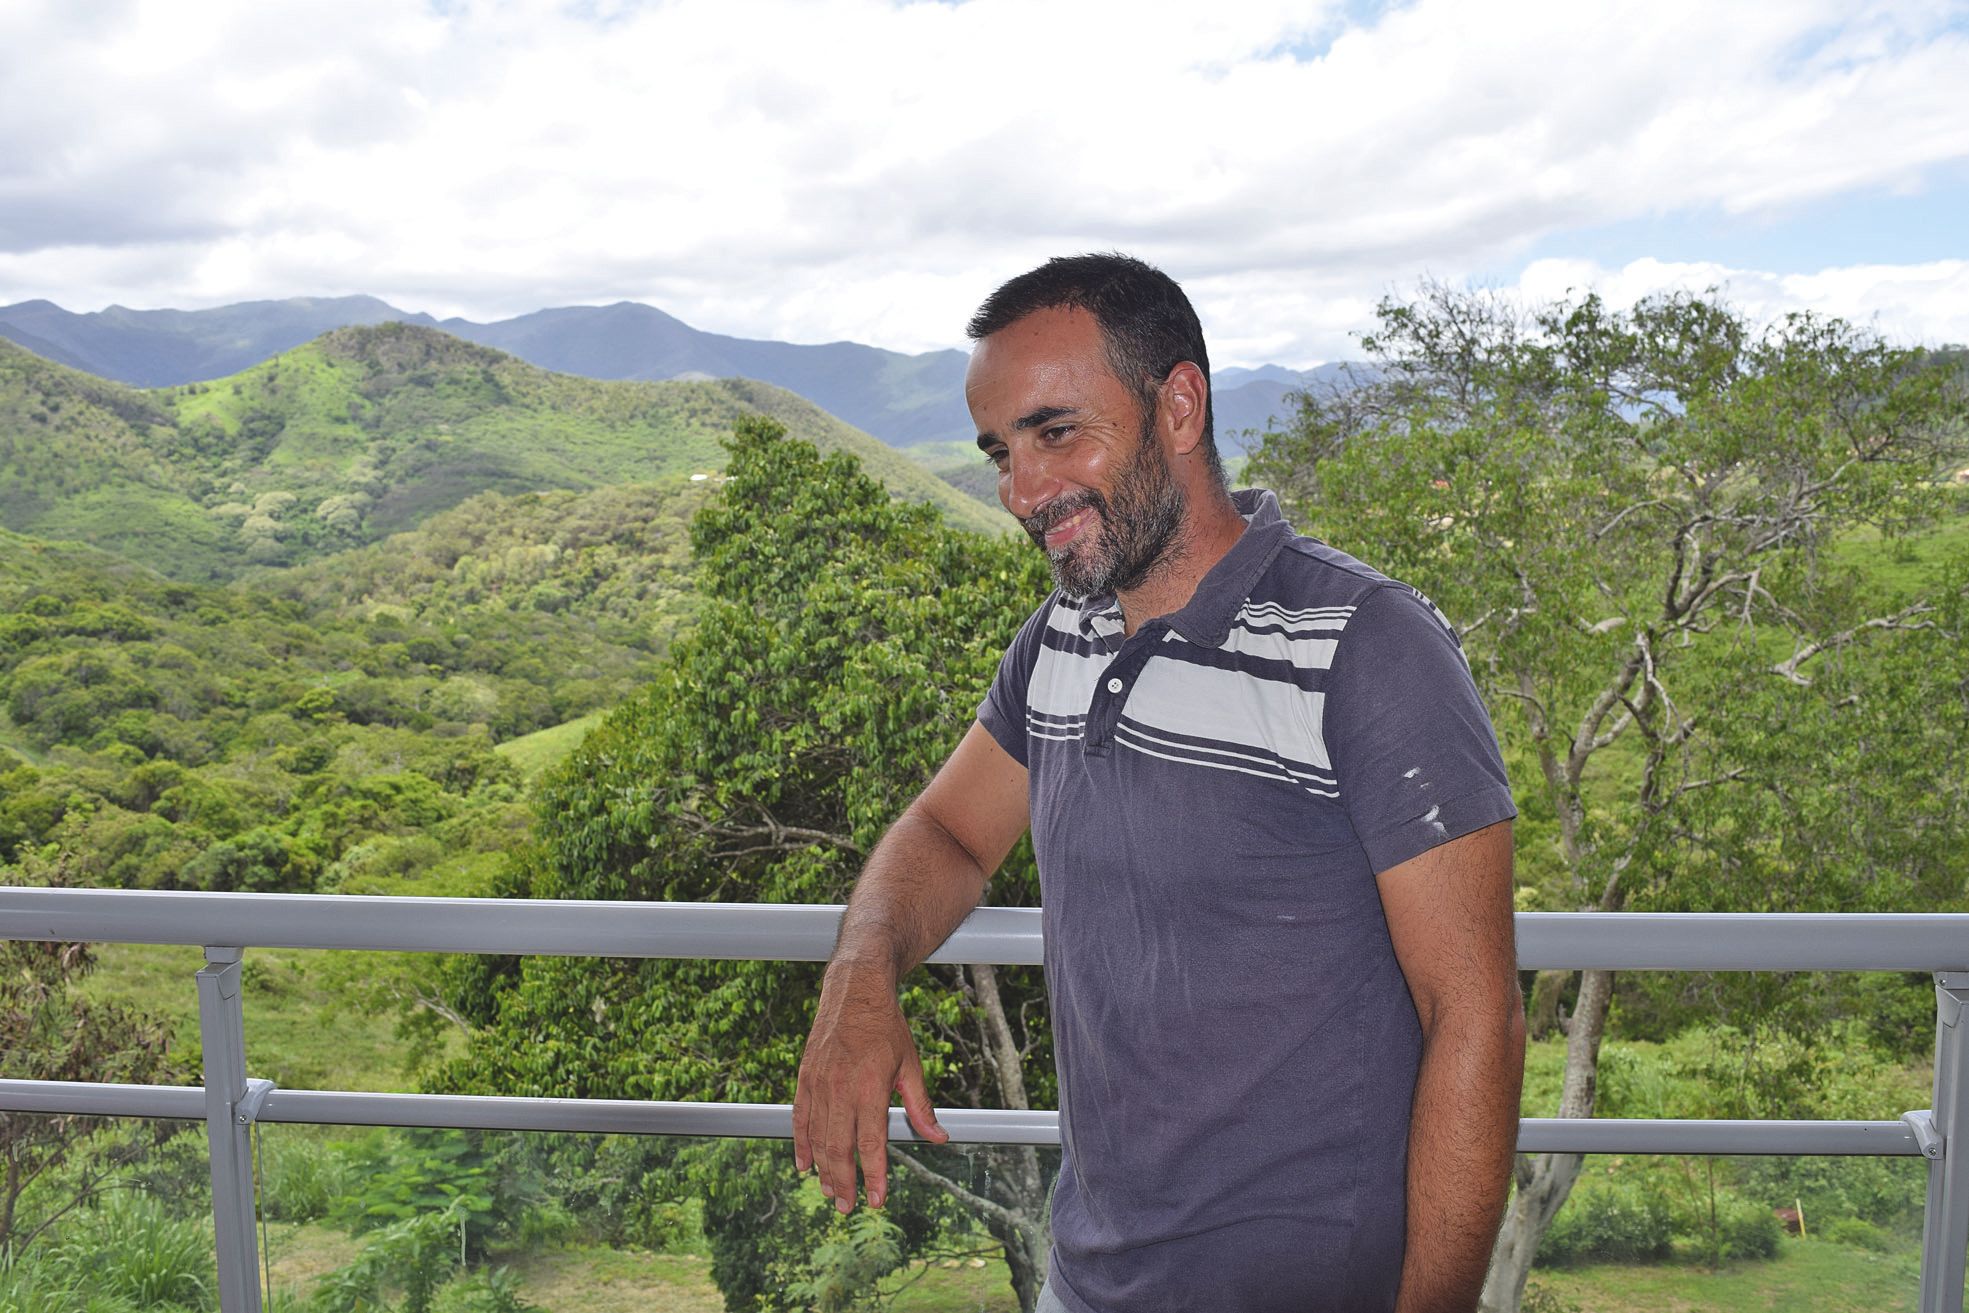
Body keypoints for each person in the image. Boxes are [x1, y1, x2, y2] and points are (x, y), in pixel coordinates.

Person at [793, 253, 1525, 1313]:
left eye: (1056, 432)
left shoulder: (1359, 645)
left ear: (1177, 406)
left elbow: (1473, 1016)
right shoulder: (1059, 639)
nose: (1021, 491)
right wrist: (859, 977)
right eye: (1000, 451)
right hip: (1086, 1281)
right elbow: (951, 832)